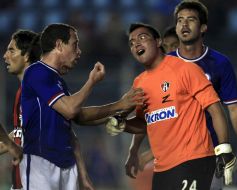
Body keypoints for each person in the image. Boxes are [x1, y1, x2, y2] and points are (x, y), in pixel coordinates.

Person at [125, 0, 237, 189]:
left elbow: (234, 110)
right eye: (179, 20)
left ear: (203, 28)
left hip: (208, 154)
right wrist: (134, 151)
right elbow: (150, 114)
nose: (184, 24)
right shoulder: (163, 65)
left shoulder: (220, 63)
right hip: (172, 159)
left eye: (190, 20)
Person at [108, 22, 236, 190]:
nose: (136, 44)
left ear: (158, 42)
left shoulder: (186, 70)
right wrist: (124, 125)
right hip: (162, 169)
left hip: (193, 161)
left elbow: (215, 108)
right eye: (131, 43)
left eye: (142, 38)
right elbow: (144, 123)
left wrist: (224, 148)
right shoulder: (139, 82)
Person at [20, 23, 144, 190]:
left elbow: (79, 117)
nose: (79, 51)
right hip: (40, 162)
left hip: (66, 164)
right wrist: (91, 81)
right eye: (75, 44)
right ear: (58, 45)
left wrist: (118, 108)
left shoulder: (58, 81)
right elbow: (70, 109)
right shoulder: (37, 72)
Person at [1, 29, 95, 190]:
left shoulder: (40, 91)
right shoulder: (26, 93)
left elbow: (71, 133)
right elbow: (18, 136)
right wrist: (9, 145)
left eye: (11, 50)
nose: (5, 56)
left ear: (26, 55)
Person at [126, 26, 180, 190]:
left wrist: (151, 154)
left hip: (195, 159)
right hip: (166, 162)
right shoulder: (147, 80)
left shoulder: (188, 74)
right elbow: (145, 118)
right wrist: (133, 151)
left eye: (174, 46)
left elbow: (184, 127)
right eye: (167, 47)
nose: (170, 51)